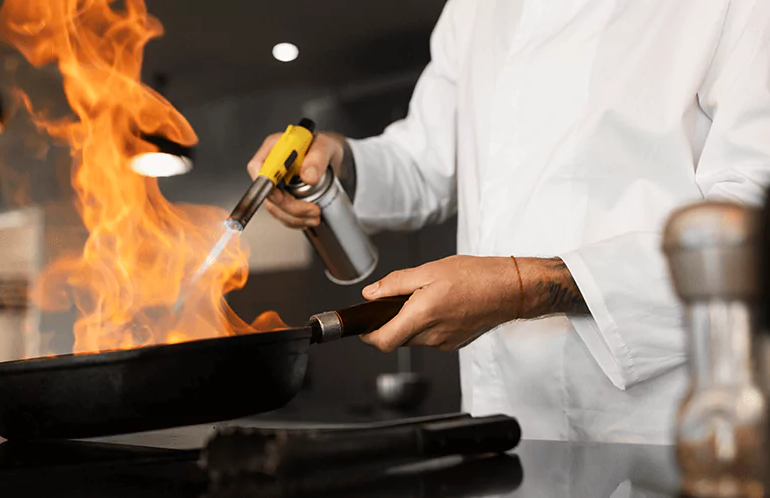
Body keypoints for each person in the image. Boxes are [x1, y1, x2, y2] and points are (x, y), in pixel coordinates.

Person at [248, 0, 770, 443]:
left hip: (668, 422)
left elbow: (750, 220)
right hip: (502, 415)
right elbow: (426, 159)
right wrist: (341, 160)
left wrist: (529, 288)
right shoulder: (475, 9)